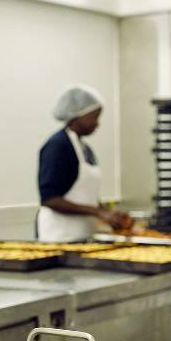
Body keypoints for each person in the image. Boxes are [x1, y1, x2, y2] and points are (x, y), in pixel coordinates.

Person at [36, 84, 130, 242]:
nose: (97, 123)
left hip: (83, 234)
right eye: (94, 117)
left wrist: (108, 213)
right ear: (77, 115)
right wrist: (98, 212)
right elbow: (50, 198)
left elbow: (85, 194)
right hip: (59, 236)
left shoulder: (84, 148)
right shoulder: (58, 146)